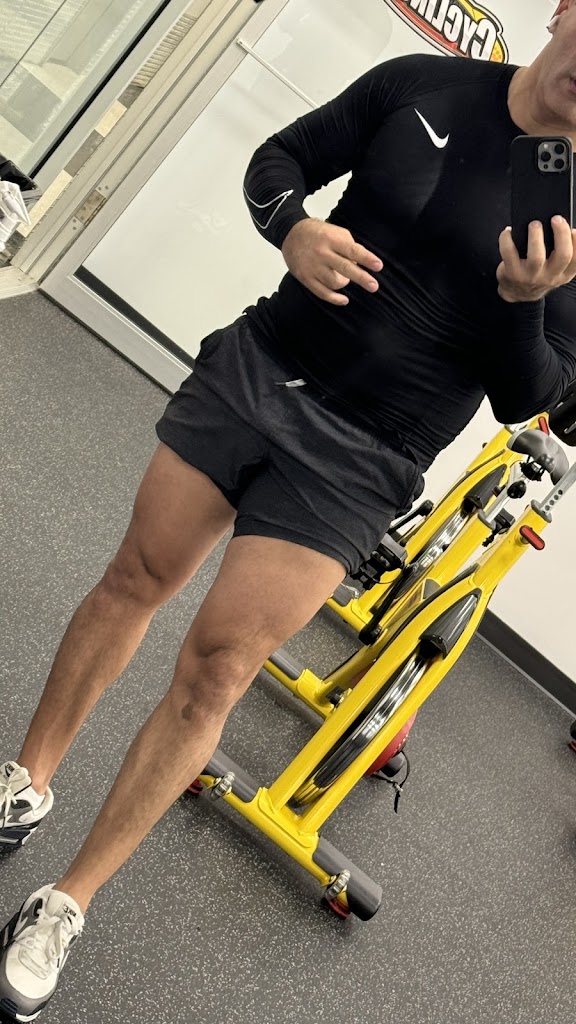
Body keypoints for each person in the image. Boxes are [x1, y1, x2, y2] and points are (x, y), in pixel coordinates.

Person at [2, 1, 576, 1018]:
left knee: (217, 670)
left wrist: (526, 303)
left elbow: (532, 396)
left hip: (366, 457)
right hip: (260, 371)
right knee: (135, 577)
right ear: (564, 12)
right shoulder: (423, 83)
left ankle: (69, 901)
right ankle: (27, 778)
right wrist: (294, 229)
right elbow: (278, 160)